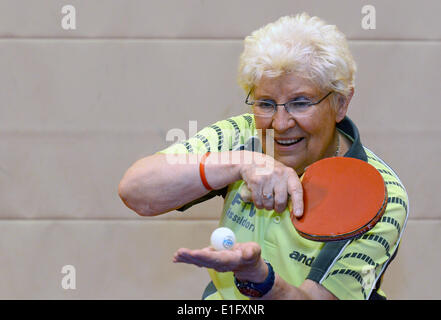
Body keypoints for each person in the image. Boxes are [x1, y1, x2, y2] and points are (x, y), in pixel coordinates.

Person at [118, 13, 408, 300]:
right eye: (266, 103)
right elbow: (136, 190)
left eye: (300, 102)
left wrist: (260, 278)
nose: (280, 124)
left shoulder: (385, 196)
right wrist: (240, 163)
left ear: (340, 103)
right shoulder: (242, 134)